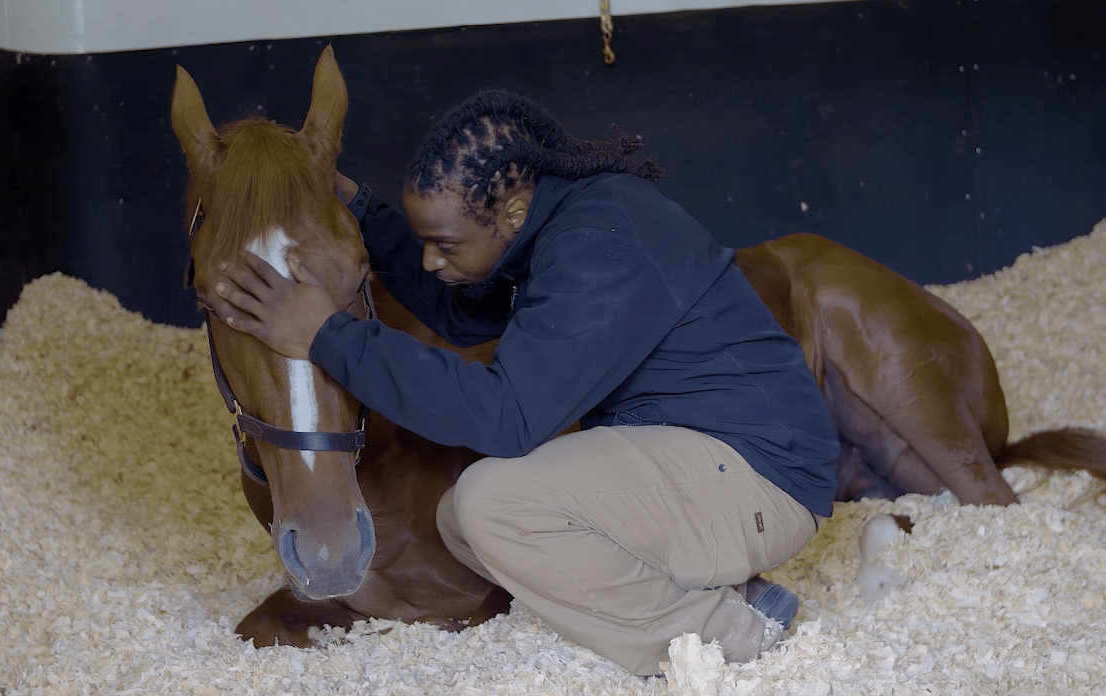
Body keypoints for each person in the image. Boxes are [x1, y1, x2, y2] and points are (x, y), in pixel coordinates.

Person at [210, 89, 839, 676]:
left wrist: (326, 334)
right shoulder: (555, 220)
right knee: (460, 519)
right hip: (695, 464)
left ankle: (736, 634)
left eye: (445, 242)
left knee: (494, 502)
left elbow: (507, 420)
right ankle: (719, 587)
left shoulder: (601, 242)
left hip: (761, 478)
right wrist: (360, 212)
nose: (432, 259)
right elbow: (464, 311)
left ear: (511, 211)